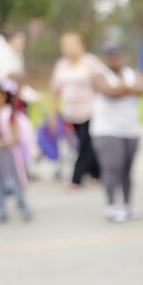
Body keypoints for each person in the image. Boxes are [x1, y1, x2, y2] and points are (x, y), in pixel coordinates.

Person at [91, 44, 143, 222]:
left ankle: (127, 204)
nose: (115, 59)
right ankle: (111, 205)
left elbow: (142, 89)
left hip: (130, 129)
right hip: (107, 130)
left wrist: (121, 88)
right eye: (111, 56)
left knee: (127, 169)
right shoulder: (99, 74)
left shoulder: (133, 73)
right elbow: (108, 91)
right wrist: (126, 89)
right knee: (112, 167)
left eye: (118, 55)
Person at [50, 32, 102, 189]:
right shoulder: (61, 65)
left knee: (86, 144)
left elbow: (103, 81)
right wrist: (52, 113)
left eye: (72, 45)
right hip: (70, 114)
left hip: (90, 111)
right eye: (65, 46)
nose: (69, 49)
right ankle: (97, 174)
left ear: (81, 45)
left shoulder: (90, 62)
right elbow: (54, 90)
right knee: (81, 146)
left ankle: (76, 179)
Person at [0, 79, 32, 223]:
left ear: (3, 96)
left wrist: (1, 142)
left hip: (8, 153)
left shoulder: (9, 114)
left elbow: (15, 137)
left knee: (13, 181)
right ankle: (1, 211)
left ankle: (24, 208)